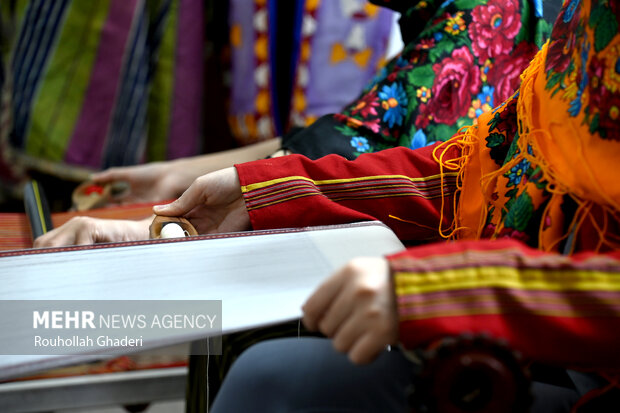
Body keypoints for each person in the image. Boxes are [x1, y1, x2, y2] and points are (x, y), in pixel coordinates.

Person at [149, 0, 618, 410]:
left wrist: (440, 291)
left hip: (580, 365)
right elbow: (479, 169)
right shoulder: (589, 20)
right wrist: (260, 188)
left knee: (271, 371)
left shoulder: (489, 13)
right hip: (537, 339)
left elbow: (353, 136)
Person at [85, 0, 560, 206]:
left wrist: (206, 184)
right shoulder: (443, 12)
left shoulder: (489, 11)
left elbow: (360, 150)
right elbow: (364, 122)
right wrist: (178, 174)